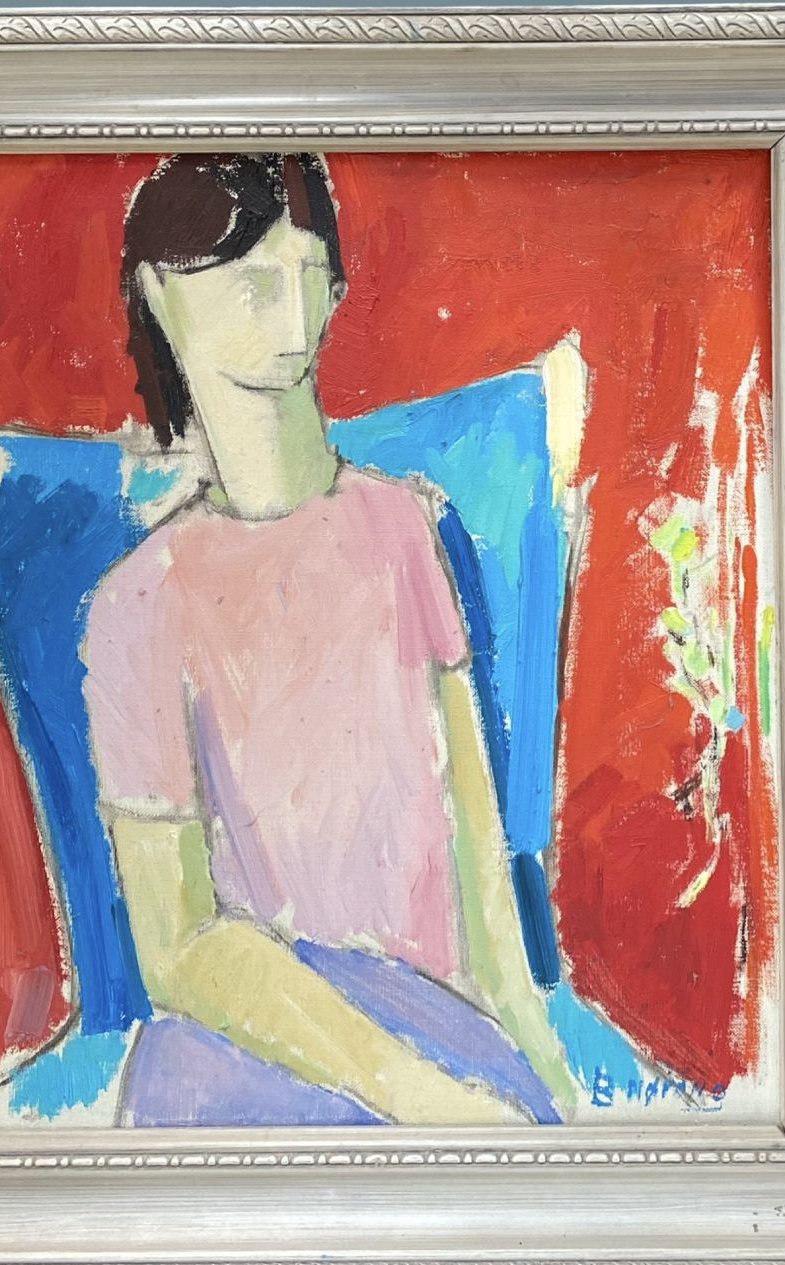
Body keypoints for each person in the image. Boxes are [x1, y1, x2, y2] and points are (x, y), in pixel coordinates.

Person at [82, 153, 578, 1126]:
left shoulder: (401, 531)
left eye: (304, 274)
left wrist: (530, 1051)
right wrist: (413, 1092)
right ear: (159, 296)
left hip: (438, 1025)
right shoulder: (137, 604)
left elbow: (474, 847)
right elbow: (179, 949)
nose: (283, 320)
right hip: (236, 1040)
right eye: (243, 280)